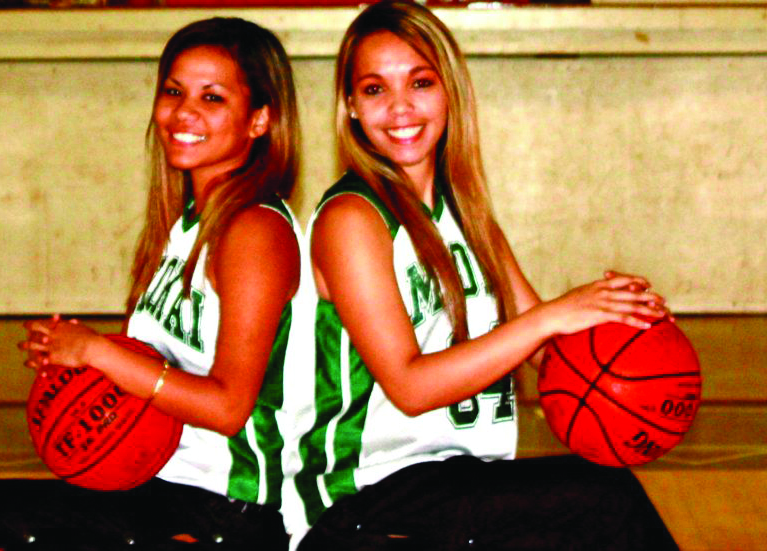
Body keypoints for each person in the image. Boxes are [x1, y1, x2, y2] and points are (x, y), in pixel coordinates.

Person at [281, 2, 679, 549]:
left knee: (600, 499)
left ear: (450, 91)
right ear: (350, 105)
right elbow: (411, 387)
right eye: (374, 89)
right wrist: (553, 315)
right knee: (607, 504)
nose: (400, 107)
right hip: (363, 500)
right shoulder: (351, 218)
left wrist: (622, 328)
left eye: (420, 83)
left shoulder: (465, 213)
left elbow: (549, 357)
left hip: (458, 482)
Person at [0, 16, 302, 551]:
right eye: (174, 92)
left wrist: (98, 352)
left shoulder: (254, 230)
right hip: (165, 488)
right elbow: (154, 372)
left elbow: (228, 407)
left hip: (226, 512)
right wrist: (76, 364)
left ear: (259, 120)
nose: (184, 112)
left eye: (212, 98)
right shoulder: (185, 226)